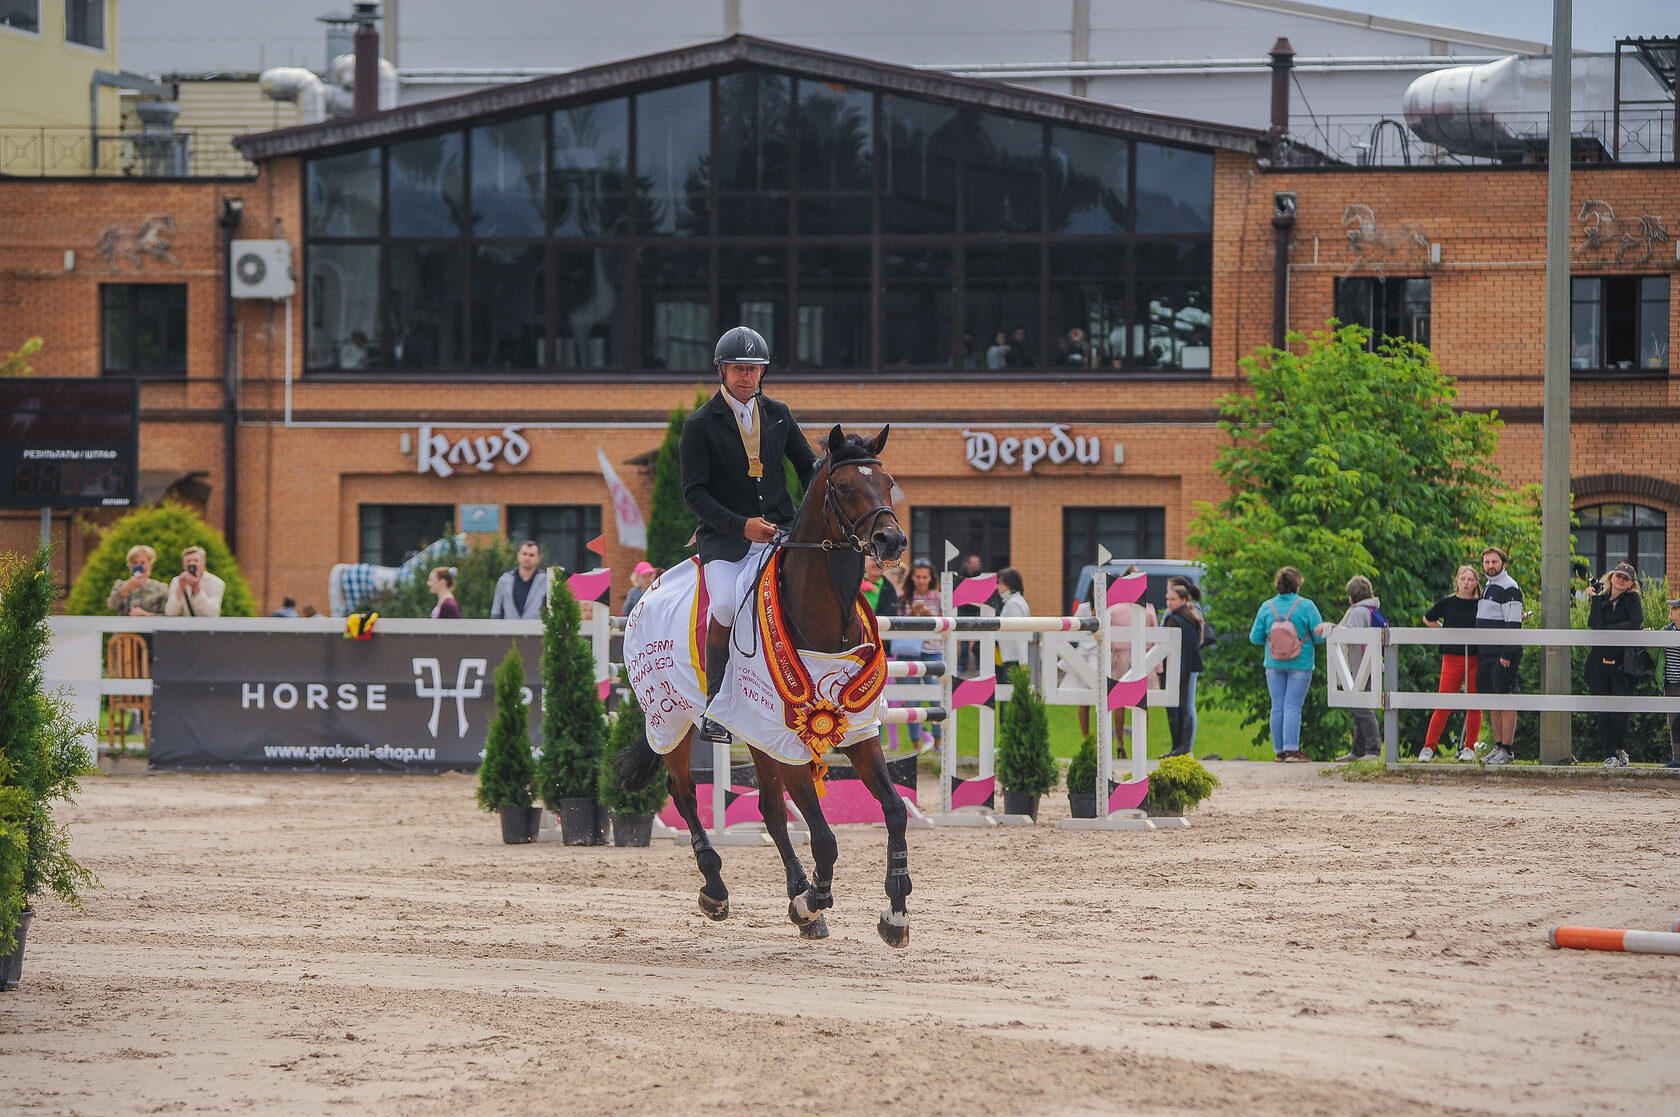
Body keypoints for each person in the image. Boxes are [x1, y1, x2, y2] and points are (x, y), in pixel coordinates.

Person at [679, 325, 818, 745]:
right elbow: (694, 494)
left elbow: (808, 467)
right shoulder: (700, 424)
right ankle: (715, 705)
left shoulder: (779, 414)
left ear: (763, 373)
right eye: (738, 368)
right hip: (727, 540)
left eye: (754, 369)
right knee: (723, 604)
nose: (746, 376)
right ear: (721, 371)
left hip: (780, 531)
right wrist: (742, 525)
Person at [1070, 564, 1156, 757]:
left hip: (1130, 657)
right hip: (1131, 657)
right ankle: (1127, 743)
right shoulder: (1137, 610)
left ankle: (1128, 742)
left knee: (1131, 702)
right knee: (1128, 701)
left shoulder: (1120, 609)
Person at [1248, 566, 1326, 762]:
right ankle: (1292, 750)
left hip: (1273, 663)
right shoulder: (1307, 606)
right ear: (1298, 584)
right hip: (1301, 663)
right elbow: (1320, 638)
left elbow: (1255, 638)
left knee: (1277, 706)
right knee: (1293, 705)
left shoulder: (1267, 607)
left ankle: (1279, 751)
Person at [1420, 565, 1483, 762]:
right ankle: (1429, 746)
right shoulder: (1448, 602)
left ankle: (1469, 747)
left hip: (1475, 657)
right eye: (1463, 579)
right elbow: (1428, 618)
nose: (1466, 583)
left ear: (1476, 583)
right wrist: (1445, 632)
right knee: (1444, 702)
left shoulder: (1482, 603)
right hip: (1452, 657)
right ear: (1457, 581)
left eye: (1470, 579)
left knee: (1474, 703)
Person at [1586, 562, 1643, 767]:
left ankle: (1619, 748)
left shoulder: (1632, 599)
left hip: (1622, 663)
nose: (1620, 580)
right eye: (1618, 576)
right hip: (1598, 662)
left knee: (1620, 711)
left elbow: (1635, 622)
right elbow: (1594, 624)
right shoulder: (1601, 600)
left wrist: (1608, 630)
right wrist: (1595, 599)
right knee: (1601, 710)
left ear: (1630, 584)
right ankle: (1609, 753)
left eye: (1625, 578)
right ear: (1611, 577)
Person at [1474, 547, 1524, 765]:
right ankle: (1497, 745)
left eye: (1494, 562)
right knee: (1493, 699)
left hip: (1503, 653)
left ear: (1503, 564)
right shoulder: (1487, 586)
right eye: (1486, 562)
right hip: (1487, 652)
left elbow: (1513, 623)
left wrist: (1507, 653)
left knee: (1506, 698)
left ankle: (1507, 749)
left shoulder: (1510, 587)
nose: (1490, 566)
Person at [1330, 576, 1383, 762]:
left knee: (1360, 707)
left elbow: (1351, 635)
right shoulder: (1371, 609)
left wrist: (1332, 629)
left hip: (1360, 665)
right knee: (1359, 706)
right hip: (1371, 664)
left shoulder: (1357, 612)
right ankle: (1359, 749)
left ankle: (1372, 749)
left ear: (1351, 596)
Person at [1161, 579, 1205, 757]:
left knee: (1177, 707)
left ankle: (1179, 747)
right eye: (1168, 599)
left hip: (1178, 667)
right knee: (1184, 706)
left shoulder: (1175, 618)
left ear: (1184, 600)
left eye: (1173, 600)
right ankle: (1183, 747)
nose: (1169, 603)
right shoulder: (1190, 616)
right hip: (1188, 666)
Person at [490, 540, 549, 620]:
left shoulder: (546, 581)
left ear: (538, 558)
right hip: (509, 630)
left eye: (531, 555)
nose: (527, 558)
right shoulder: (504, 580)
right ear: (518, 555)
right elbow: (496, 613)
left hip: (535, 631)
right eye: (524, 554)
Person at [164, 545, 226, 618]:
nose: (192, 564)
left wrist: (197, 589)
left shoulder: (216, 583)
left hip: (207, 627)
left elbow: (211, 613)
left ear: (203, 564)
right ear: (183, 565)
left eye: (196, 560)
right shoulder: (177, 582)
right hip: (185, 627)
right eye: (188, 561)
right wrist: (180, 588)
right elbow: (170, 613)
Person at [106, 545, 168, 617]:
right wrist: (125, 589)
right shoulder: (120, 585)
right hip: (126, 627)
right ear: (130, 565)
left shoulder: (160, 587)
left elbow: (166, 616)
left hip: (150, 627)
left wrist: (145, 614)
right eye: (135, 563)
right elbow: (112, 606)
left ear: (150, 564)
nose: (139, 566)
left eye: (142, 563)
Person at [995, 568, 1031, 683]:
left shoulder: (1013, 604)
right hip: (1013, 656)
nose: (997, 586)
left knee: (1007, 695)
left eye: (999, 582)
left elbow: (1019, 635)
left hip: (1013, 657)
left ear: (1009, 584)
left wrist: (1023, 661)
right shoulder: (1016, 601)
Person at [1663, 597, 1680, 769]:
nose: (1672, 610)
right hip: (1672, 683)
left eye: (1675, 608)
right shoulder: (1667, 631)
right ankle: (1677, 759)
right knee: (1674, 722)